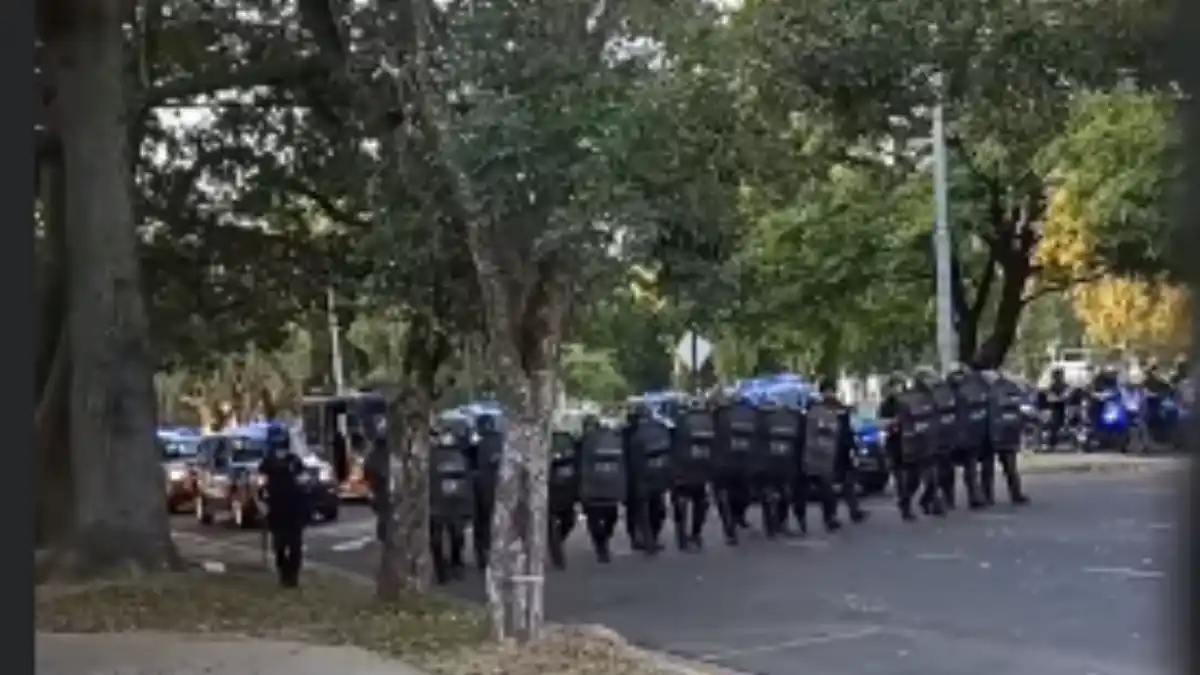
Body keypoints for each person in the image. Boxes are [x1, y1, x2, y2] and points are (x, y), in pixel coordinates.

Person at [804, 377, 868, 532]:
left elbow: (847, 429)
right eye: (827, 390)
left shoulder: (838, 407)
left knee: (848, 482)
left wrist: (853, 446)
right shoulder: (818, 409)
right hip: (827, 450)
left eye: (831, 390)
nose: (829, 393)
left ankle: (853, 511)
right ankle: (831, 517)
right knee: (827, 486)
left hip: (840, 449)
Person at [258, 423, 310, 588]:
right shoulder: (267, 464)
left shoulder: (295, 462)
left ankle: (292, 576)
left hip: (294, 509)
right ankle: (283, 574)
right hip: (276, 509)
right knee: (279, 545)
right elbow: (261, 486)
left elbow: (304, 484)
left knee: (295, 545)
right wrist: (262, 503)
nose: (281, 449)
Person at [979, 370, 1031, 505]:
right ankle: (1015, 494)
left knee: (989, 467)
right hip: (1006, 432)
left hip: (990, 432)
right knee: (1009, 466)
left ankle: (988, 496)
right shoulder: (1009, 388)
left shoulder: (986, 391)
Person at [578, 415, 625, 563]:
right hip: (610, 489)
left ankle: (601, 546)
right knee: (610, 518)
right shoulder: (612, 440)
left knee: (595, 521)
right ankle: (602, 544)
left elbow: (580, 468)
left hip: (592, 490)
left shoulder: (583, 442)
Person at [670, 400, 714, 551]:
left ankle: (682, 538)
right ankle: (696, 534)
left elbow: (675, 444)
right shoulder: (709, 421)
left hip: (683, 470)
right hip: (702, 469)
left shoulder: (682, 421)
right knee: (700, 503)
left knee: (680, 504)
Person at [1036, 367, 1073, 449]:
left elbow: (1068, 395)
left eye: (1059, 375)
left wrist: (1064, 396)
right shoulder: (1051, 386)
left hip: (1065, 409)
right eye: (1056, 375)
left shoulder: (1066, 386)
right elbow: (1048, 396)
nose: (1057, 377)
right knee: (1049, 424)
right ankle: (1046, 442)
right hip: (1054, 409)